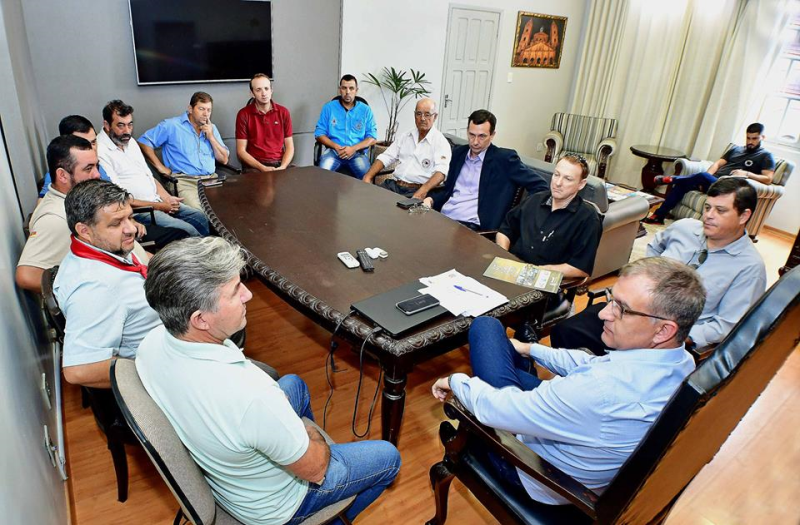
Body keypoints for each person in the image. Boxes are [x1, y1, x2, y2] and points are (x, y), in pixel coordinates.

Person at [137, 237, 401, 525]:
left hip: (226, 469)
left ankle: (295, 447)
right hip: (274, 508)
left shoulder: (150, 345)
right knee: (388, 458)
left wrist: (279, 423)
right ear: (200, 319)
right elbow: (316, 470)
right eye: (235, 290)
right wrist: (299, 430)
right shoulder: (252, 397)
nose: (248, 295)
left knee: (294, 384)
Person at [432, 257, 705, 504]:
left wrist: (456, 381)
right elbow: (592, 364)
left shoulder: (598, 390)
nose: (603, 313)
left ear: (663, 330)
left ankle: (513, 380)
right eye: (611, 299)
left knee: (485, 327)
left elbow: (496, 411)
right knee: (506, 352)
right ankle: (518, 372)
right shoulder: (681, 362)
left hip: (536, 473)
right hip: (579, 439)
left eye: (622, 309)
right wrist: (531, 349)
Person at [552, 177, 766, 354]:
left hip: (670, 339)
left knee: (614, 364)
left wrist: (675, 338)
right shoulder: (684, 228)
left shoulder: (749, 267)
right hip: (629, 311)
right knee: (564, 331)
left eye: (721, 211)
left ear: (744, 215)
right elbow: (654, 248)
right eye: (708, 207)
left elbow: (727, 325)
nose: (709, 215)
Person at [53, 180, 161, 388]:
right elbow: (79, 370)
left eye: (130, 217)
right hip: (161, 369)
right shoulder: (96, 288)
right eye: (116, 223)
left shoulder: (105, 250)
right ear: (84, 231)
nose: (131, 229)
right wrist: (152, 371)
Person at [97, 99, 210, 237]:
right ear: (107, 125)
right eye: (121, 125)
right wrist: (161, 206)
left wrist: (167, 198)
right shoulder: (100, 150)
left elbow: (148, 176)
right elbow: (120, 199)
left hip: (158, 201)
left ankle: (207, 253)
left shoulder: (130, 142)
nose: (127, 131)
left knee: (200, 217)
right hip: (140, 211)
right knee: (187, 230)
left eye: (130, 125)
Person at [423, 109, 547, 231]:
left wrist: (516, 217)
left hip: (472, 227)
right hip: (443, 218)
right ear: (467, 131)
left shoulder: (504, 159)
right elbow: (448, 190)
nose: (475, 142)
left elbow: (541, 186)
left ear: (492, 135)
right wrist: (431, 199)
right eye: (472, 135)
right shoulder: (459, 154)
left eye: (482, 136)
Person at [644, 123, 776, 224]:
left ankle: (674, 179)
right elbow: (718, 163)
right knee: (683, 185)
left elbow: (768, 179)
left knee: (696, 178)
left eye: (755, 139)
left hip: (728, 188)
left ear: (762, 137)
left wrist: (747, 173)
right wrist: (707, 177)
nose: (750, 142)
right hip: (712, 182)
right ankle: (659, 216)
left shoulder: (765, 155)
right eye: (748, 138)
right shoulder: (736, 149)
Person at [496, 154, 602, 280]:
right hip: (510, 269)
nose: (558, 183)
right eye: (556, 175)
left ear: (581, 184)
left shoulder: (588, 219)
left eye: (568, 179)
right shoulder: (534, 200)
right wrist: (504, 256)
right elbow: (505, 230)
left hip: (543, 281)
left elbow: (581, 268)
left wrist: (537, 271)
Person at [138, 91, 230, 210]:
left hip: (211, 180)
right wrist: (160, 167)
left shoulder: (211, 128)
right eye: (201, 109)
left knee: (228, 210)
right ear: (190, 109)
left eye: (209, 110)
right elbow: (144, 141)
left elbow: (224, 160)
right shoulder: (172, 125)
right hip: (185, 182)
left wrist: (211, 137)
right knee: (201, 212)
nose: (206, 114)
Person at [362, 98, 451, 199]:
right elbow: (386, 157)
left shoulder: (440, 142)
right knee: (367, 201)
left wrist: (422, 191)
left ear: (435, 117)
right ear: (414, 115)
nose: (422, 118)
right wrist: (368, 176)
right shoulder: (406, 136)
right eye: (419, 114)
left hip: (416, 190)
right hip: (394, 186)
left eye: (427, 114)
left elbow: (441, 173)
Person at [314, 74, 377, 179]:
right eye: (344, 88)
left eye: (351, 88)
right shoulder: (329, 108)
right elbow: (319, 134)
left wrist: (353, 149)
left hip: (357, 153)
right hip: (333, 152)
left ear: (356, 90)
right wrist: (336, 147)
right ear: (340, 90)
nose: (348, 92)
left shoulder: (365, 110)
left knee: (367, 179)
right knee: (321, 177)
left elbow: (372, 137)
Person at [38, 115, 111, 198]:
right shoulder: (59, 177)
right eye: (82, 144)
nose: (92, 148)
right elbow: (43, 203)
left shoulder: (96, 166)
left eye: (93, 142)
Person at [235, 73, 294, 172]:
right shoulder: (243, 114)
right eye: (258, 90)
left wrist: (283, 167)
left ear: (271, 90)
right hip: (255, 166)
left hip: (279, 163)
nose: (264, 93)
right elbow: (241, 151)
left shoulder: (283, 112)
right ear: (252, 93)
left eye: (266, 88)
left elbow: (290, 147)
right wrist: (262, 168)